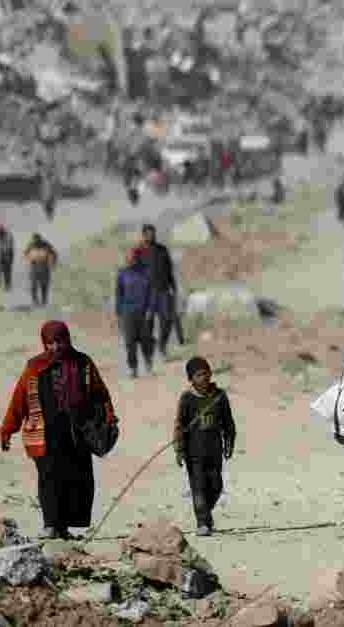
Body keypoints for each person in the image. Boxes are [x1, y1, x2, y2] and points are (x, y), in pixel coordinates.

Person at [0, 321, 118, 539]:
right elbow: (19, 400)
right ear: (44, 343)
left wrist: (109, 417)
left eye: (60, 341)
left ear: (68, 339)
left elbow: (101, 393)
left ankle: (64, 527)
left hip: (77, 432)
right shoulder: (34, 367)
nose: (56, 347)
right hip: (45, 433)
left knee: (76, 478)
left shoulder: (83, 363)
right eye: (50, 343)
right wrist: (7, 429)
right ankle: (51, 524)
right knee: (49, 476)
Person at [174, 357, 236, 537]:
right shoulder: (186, 399)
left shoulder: (220, 396)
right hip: (194, 454)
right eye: (199, 375)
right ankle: (203, 521)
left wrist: (229, 441)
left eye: (206, 373)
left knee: (216, 486)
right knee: (198, 487)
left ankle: (205, 512)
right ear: (190, 379)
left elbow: (228, 423)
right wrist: (179, 449)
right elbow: (179, 425)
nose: (204, 377)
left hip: (215, 451)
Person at [140, 224, 179, 361]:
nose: (152, 236)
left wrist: (173, 287)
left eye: (153, 233)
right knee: (147, 322)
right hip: (147, 294)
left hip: (163, 291)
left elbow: (169, 270)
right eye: (149, 234)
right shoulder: (139, 252)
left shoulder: (162, 250)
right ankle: (150, 348)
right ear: (143, 235)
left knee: (167, 319)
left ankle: (162, 345)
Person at [116, 247, 154, 378]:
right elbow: (119, 295)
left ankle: (148, 361)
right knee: (130, 342)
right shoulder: (122, 274)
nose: (131, 260)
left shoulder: (146, 272)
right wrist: (118, 314)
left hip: (143, 312)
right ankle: (133, 368)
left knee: (145, 340)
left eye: (134, 257)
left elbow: (151, 293)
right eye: (129, 257)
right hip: (127, 313)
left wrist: (150, 309)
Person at [24, 233, 57, 307]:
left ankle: (44, 301)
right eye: (34, 239)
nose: (36, 241)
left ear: (39, 239)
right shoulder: (31, 245)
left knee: (44, 285)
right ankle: (35, 301)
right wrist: (29, 259)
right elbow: (25, 254)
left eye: (37, 239)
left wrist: (53, 262)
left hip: (44, 266)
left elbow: (54, 253)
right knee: (33, 285)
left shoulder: (45, 244)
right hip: (34, 266)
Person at [0, 224, 15, 291]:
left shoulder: (8, 235)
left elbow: (10, 246)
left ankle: (7, 284)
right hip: (0, 253)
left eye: (1, 233)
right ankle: (1, 281)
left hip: (7, 253)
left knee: (7, 269)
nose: (0, 235)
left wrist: (8, 256)